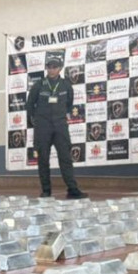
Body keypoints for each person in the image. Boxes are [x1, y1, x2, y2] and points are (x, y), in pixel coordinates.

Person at [26, 57, 87, 199]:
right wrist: (37, 120)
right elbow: (30, 104)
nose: (52, 69)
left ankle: (72, 189)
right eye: (49, 66)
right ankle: (46, 190)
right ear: (46, 68)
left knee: (65, 158)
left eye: (54, 67)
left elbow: (69, 104)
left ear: (60, 68)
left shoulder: (65, 84)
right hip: (43, 127)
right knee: (43, 159)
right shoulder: (39, 85)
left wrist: (60, 117)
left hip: (60, 126)